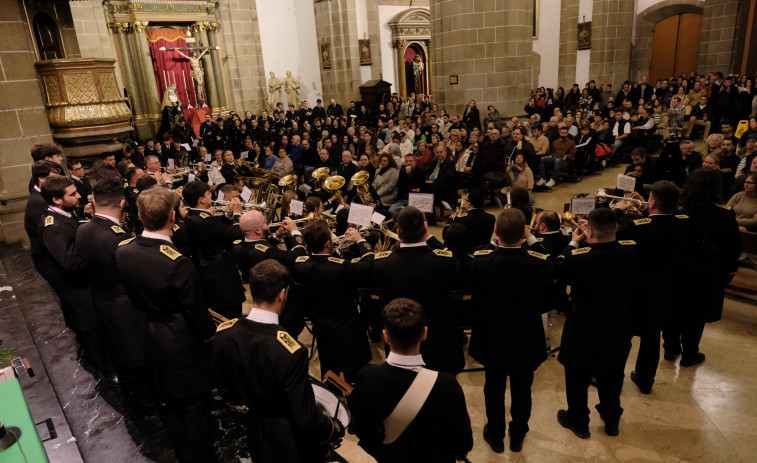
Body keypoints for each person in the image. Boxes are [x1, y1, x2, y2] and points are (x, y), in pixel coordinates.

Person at [115, 187, 215, 463]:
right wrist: (210, 338)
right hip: (182, 344)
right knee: (195, 410)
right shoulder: (178, 263)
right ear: (173, 216)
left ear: (139, 214)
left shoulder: (124, 250)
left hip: (149, 334)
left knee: (171, 407)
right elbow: (196, 314)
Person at [213, 259, 345, 462]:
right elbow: (306, 418)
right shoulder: (290, 351)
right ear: (283, 294)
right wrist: (331, 427)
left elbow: (226, 390)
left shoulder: (224, 333)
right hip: (289, 441)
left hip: (255, 428)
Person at [349, 298, 473, 462]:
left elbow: (362, 431)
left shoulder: (367, 377)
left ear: (386, 336)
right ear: (425, 333)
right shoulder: (447, 384)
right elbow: (464, 444)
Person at [470, 208, 553, 453]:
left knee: (493, 387)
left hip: (491, 336)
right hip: (525, 336)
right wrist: (531, 239)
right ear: (525, 232)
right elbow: (548, 299)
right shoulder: (539, 263)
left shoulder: (481, 261)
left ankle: (496, 435)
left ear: (495, 232)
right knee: (522, 389)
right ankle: (517, 435)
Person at [556, 208, 639, 439]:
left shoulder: (578, 256)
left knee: (576, 373)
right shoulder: (631, 250)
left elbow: (559, 269)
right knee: (612, 373)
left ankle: (579, 421)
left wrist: (574, 243)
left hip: (584, 322)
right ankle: (612, 420)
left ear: (589, 231)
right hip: (618, 322)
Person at [76, 178, 153, 414]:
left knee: (121, 352)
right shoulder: (119, 238)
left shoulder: (83, 228)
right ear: (122, 203)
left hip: (102, 301)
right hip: (127, 307)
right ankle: (148, 404)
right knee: (138, 357)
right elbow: (136, 278)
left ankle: (132, 399)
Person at [615, 181, 692, 394]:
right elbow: (669, 214)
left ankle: (614, 378)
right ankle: (645, 379)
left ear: (654, 202)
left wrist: (619, 209)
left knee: (623, 337)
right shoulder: (684, 222)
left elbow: (609, 233)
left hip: (635, 289)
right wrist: (645, 206)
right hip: (666, 287)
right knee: (651, 336)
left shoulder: (635, 228)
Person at [372, 206, 464, 374]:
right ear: (426, 229)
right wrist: (431, 238)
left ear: (398, 233)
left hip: (400, 342)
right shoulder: (445, 262)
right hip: (439, 340)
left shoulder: (382, 264)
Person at [292, 220, 373, 381]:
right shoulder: (343, 268)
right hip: (348, 328)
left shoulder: (300, 265)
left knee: (329, 373)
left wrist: (338, 252)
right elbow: (369, 264)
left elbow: (323, 264)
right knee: (354, 374)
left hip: (321, 327)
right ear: (329, 243)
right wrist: (360, 241)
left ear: (307, 245)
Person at [183, 180, 245, 319]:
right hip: (222, 281)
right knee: (231, 319)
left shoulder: (192, 215)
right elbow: (237, 233)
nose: (211, 197)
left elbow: (217, 230)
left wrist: (228, 215)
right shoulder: (205, 221)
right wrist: (236, 214)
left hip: (208, 275)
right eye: (208, 194)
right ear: (201, 199)